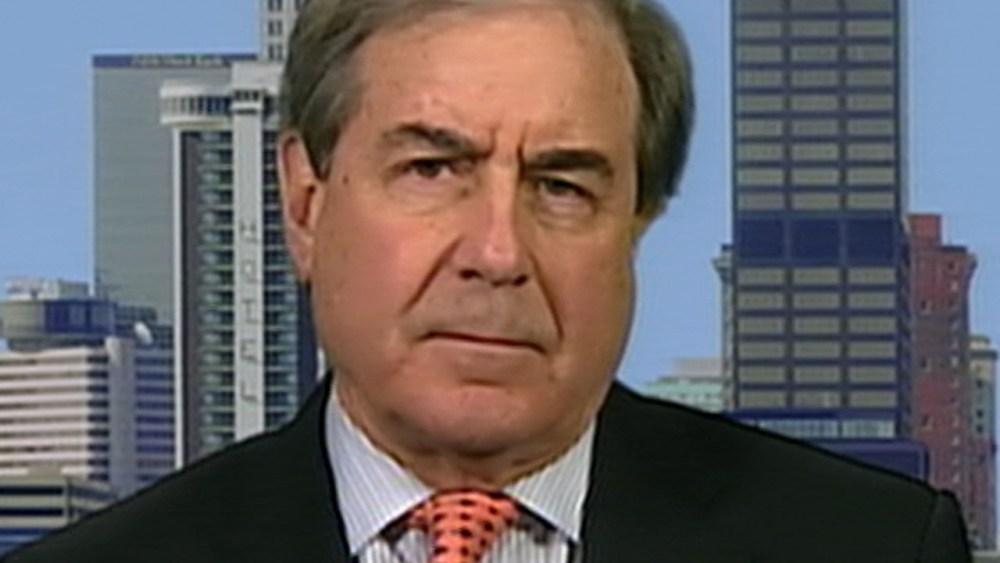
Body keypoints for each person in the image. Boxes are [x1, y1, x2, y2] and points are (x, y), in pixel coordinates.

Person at [5, 0, 971, 561]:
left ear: (637, 224)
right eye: (432, 170)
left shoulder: (872, 547)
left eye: (562, 185)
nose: (498, 252)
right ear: (304, 203)